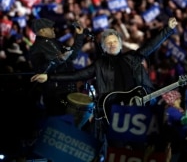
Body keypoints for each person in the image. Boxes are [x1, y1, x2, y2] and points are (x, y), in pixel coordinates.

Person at [30, 17, 178, 158]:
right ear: (103, 47)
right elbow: (76, 75)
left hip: (134, 113)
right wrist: (49, 77)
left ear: (120, 43)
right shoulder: (99, 64)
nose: (112, 44)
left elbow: (150, 46)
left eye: (114, 41)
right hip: (112, 114)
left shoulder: (132, 57)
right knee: (116, 152)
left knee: (139, 151)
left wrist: (168, 29)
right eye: (108, 42)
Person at [29, 18, 87, 117]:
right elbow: (41, 70)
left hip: (69, 89)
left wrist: (79, 36)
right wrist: (58, 60)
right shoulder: (35, 48)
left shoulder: (56, 43)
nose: (53, 29)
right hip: (55, 94)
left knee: (72, 121)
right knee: (60, 122)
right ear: (42, 30)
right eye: (50, 28)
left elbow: (72, 56)